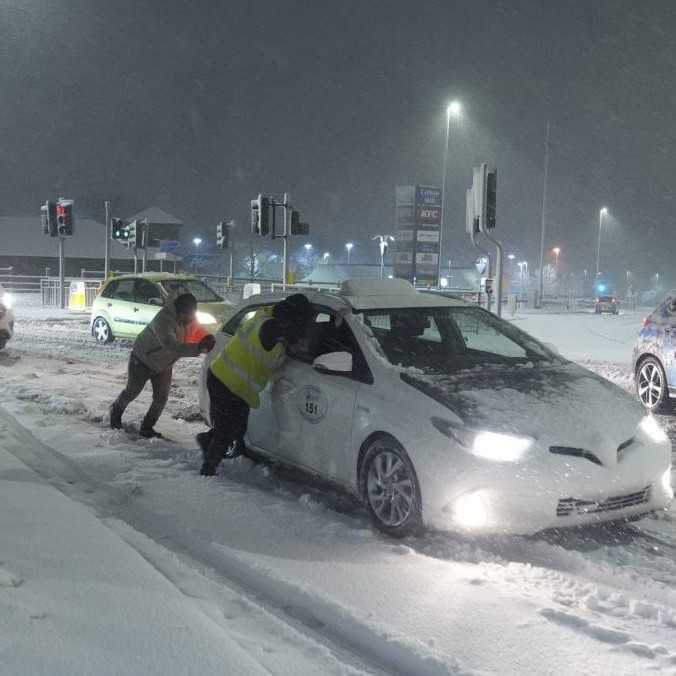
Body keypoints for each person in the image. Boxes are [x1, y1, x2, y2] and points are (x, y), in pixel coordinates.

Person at [197, 293, 314, 475]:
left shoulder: (265, 317)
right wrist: (294, 343)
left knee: (237, 427)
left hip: (231, 382)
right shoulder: (272, 329)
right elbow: (277, 350)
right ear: (293, 318)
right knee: (226, 431)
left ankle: (206, 441)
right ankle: (208, 470)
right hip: (225, 382)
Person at [110, 293, 216, 437]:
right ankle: (115, 412)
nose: (190, 319)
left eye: (191, 315)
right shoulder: (163, 320)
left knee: (161, 398)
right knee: (132, 392)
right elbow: (171, 346)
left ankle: (147, 428)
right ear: (179, 311)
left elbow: (197, 330)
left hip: (164, 364)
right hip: (143, 360)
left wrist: (206, 337)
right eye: (187, 315)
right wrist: (198, 348)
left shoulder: (189, 318)